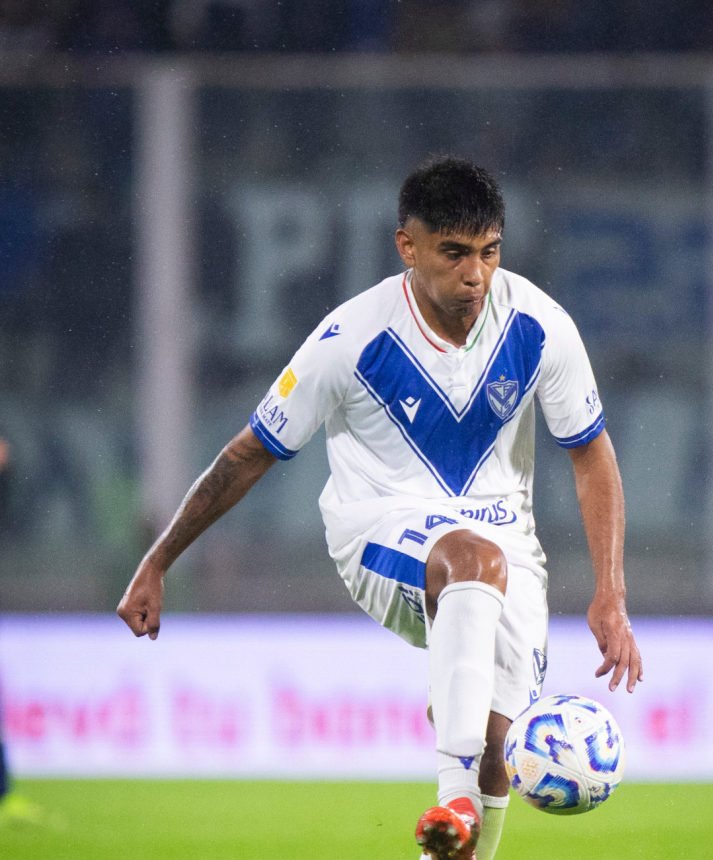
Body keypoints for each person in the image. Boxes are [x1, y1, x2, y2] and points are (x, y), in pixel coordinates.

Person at [118, 157, 643, 860]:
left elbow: (592, 456)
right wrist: (158, 561)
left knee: (500, 743)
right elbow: (248, 454)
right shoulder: (351, 338)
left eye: (489, 253)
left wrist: (611, 591)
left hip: (508, 542)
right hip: (378, 529)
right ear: (408, 246)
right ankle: (452, 796)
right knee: (471, 562)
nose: (475, 275)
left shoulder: (540, 325)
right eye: (454, 253)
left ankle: (454, 840)